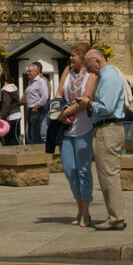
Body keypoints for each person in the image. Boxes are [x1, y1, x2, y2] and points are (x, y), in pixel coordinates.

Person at [75, 48, 127, 231]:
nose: (89, 71)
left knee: (109, 175)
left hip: (108, 128)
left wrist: (88, 103)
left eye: (89, 67)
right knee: (107, 175)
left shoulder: (109, 77)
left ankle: (116, 218)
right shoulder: (105, 76)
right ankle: (114, 215)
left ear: (96, 60)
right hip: (104, 128)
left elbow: (107, 106)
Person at [55, 42, 97, 226]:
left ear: (82, 57)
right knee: (70, 170)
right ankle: (78, 208)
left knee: (83, 170)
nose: (70, 58)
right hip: (66, 129)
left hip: (83, 127)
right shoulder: (68, 72)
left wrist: (64, 113)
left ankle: (85, 213)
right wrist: (58, 112)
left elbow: (85, 100)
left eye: (74, 55)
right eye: (70, 55)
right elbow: (58, 93)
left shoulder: (91, 75)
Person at [21, 62, 50, 145]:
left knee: (36, 133)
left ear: (37, 71)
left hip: (37, 110)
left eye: (30, 71)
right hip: (30, 110)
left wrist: (37, 106)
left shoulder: (41, 81)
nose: (28, 73)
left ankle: (40, 152)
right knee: (29, 133)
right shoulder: (30, 82)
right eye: (27, 71)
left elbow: (45, 96)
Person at [0, 74, 22, 145]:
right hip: (16, 115)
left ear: (4, 82)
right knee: (14, 136)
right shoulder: (14, 88)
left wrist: (0, 116)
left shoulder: (5, 90)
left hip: (12, 116)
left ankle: (21, 152)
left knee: (14, 136)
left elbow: (6, 104)